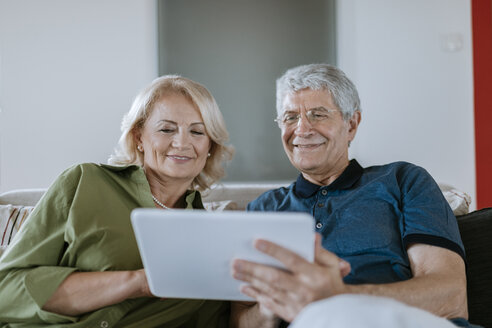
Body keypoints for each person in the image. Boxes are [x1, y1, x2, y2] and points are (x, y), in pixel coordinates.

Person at [230, 64, 477, 327]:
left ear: (351, 124)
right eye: (290, 117)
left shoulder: (403, 180)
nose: (302, 129)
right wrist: (270, 308)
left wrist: (338, 297)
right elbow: (239, 321)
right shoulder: (263, 208)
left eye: (318, 114)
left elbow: (451, 298)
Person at [0, 75, 236, 327]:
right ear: (139, 138)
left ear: (210, 145)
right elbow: (7, 292)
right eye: (167, 129)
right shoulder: (85, 182)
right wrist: (138, 282)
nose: (181, 143)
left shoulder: (214, 238)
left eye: (197, 131)